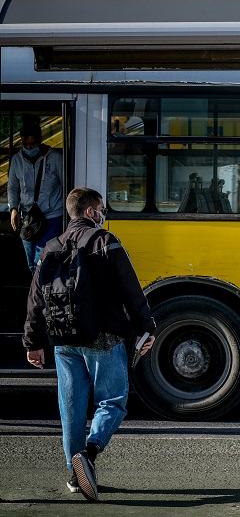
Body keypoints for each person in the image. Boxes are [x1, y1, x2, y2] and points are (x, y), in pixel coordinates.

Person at [23, 187, 156, 502]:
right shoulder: (105, 241)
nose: (103, 214)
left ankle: (74, 475)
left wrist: (33, 341)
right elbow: (130, 288)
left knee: (71, 410)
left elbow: (35, 298)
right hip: (103, 336)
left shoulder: (50, 247)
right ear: (89, 212)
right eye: (101, 209)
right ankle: (90, 454)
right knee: (113, 401)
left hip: (63, 341)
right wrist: (146, 328)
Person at [8, 118, 65, 273]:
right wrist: (13, 209)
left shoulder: (55, 159)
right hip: (28, 217)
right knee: (31, 262)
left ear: (40, 140)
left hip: (52, 215)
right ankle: (38, 292)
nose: (28, 148)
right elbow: (12, 188)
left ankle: (41, 294)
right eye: (24, 144)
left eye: (32, 144)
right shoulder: (16, 160)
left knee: (42, 259)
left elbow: (66, 185)